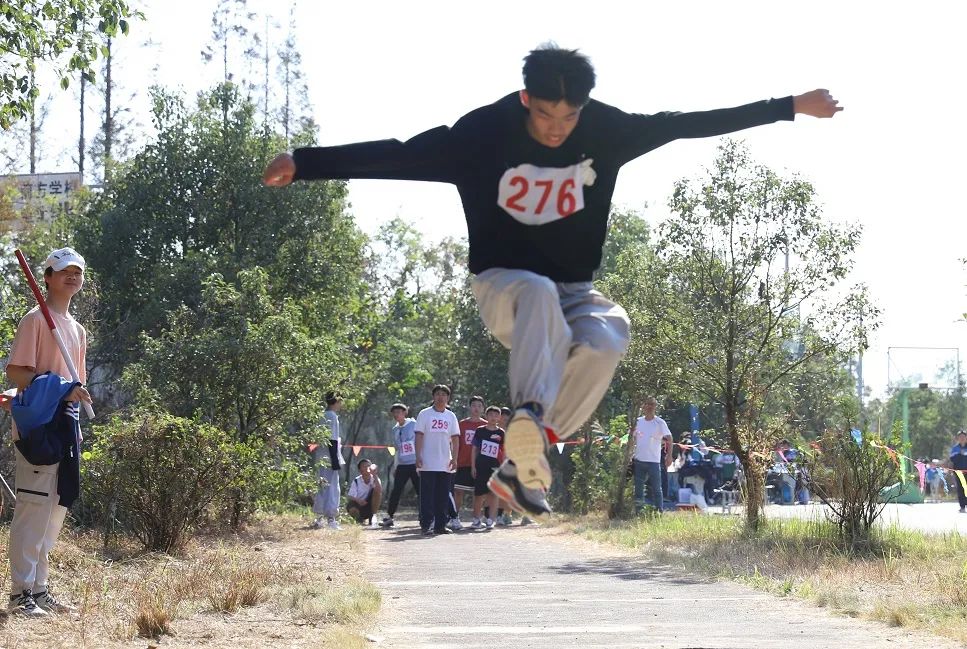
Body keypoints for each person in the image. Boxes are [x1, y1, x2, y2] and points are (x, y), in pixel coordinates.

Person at [263, 44, 842, 516]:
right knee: (536, 289)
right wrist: (306, 162)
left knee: (611, 333)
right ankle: (530, 417)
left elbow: (685, 124)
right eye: (544, 115)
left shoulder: (606, 130)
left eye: (569, 117)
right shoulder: (481, 135)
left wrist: (790, 105)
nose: (557, 129)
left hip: (574, 293)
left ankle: (526, 460)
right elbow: (399, 154)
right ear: (524, 98)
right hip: (503, 286)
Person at [6, 247, 92, 617]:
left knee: (56, 507)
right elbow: (18, 373)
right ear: (48, 277)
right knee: (33, 507)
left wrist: (74, 415)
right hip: (38, 425)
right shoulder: (35, 320)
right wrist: (60, 388)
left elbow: (80, 384)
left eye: (78, 272)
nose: (72, 277)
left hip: (66, 426)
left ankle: (40, 590)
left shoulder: (77, 329)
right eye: (64, 271)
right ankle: (20, 592)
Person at [415, 385, 460, 534]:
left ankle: (440, 525)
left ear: (448, 398)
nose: (441, 397)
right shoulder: (424, 414)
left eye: (444, 395)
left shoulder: (451, 416)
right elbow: (419, 435)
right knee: (427, 495)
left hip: (445, 462)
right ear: (433, 397)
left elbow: (455, 439)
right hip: (427, 461)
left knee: (443, 495)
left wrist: (454, 459)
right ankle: (426, 524)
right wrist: (418, 456)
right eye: (438, 394)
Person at [630, 397, 672, 513]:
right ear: (643, 407)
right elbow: (632, 438)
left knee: (656, 489)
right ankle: (639, 512)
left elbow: (669, 438)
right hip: (639, 460)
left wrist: (669, 456)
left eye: (652, 404)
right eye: (647, 404)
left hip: (654, 461)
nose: (649, 407)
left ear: (655, 407)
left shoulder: (659, 422)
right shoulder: (638, 421)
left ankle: (659, 511)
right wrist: (630, 454)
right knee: (638, 488)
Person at [381, 403, 420, 528]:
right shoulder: (395, 429)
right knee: (396, 490)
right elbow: (397, 449)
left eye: (399, 412)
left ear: (405, 413)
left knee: (421, 490)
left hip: (416, 463)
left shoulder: (414, 425)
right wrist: (395, 465)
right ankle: (390, 516)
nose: (396, 415)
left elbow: (421, 442)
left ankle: (425, 515)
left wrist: (421, 461)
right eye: (394, 413)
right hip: (403, 464)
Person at [451, 395, 487, 530]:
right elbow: (455, 443)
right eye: (473, 405)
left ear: (483, 408)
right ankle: (454, 518)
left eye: (479, 406)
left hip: (480, 465)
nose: (476, 408)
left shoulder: (486, 425)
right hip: (462, 462)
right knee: (458, 491)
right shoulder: (462, 424)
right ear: (469, 407)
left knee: (478, 493)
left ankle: (476, 519)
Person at [312, 392, 344, 530]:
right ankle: (331, 519)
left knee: (322, 486)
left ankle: (319, 518)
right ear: (336, 401)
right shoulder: (332, 416)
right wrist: (335, 459)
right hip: (330, 458)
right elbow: (332, 439)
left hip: (322, 457)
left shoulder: (322, 415)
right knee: (332, 487)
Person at [471, 406, 505, 528]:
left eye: (496, 415)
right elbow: (474, 449)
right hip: (480, 465)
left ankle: (491, 519)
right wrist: (473, 466)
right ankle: (476, 519)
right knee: (479, 494)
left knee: (493, 494)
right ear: (486, 416)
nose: (493, 417)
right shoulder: (480, 430)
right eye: (491, 415)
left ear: (499, 418)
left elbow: (504, 451)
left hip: (495, 467)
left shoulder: (501, 433)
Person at [347, 459, 383, 526]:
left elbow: (379, 490)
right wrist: (358, 500)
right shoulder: (356, 481)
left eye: (368, 465)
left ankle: (373, 516)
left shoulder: (375, 478)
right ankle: (359, 519)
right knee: (352, 509)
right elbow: (350, 496)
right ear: (360, 470)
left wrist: (374, 474)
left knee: (377, 491)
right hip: (358, 505)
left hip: (370, 505)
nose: (367, 467)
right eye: (364, 466)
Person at [949, 430, 967, 513]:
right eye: (960, 437)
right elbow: (952, 459)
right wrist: (960, 454)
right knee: (961, 488)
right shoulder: (955, 448)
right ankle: (962, 506)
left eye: (963, 437)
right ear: (958, 438)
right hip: (959, 472)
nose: (962, 438)